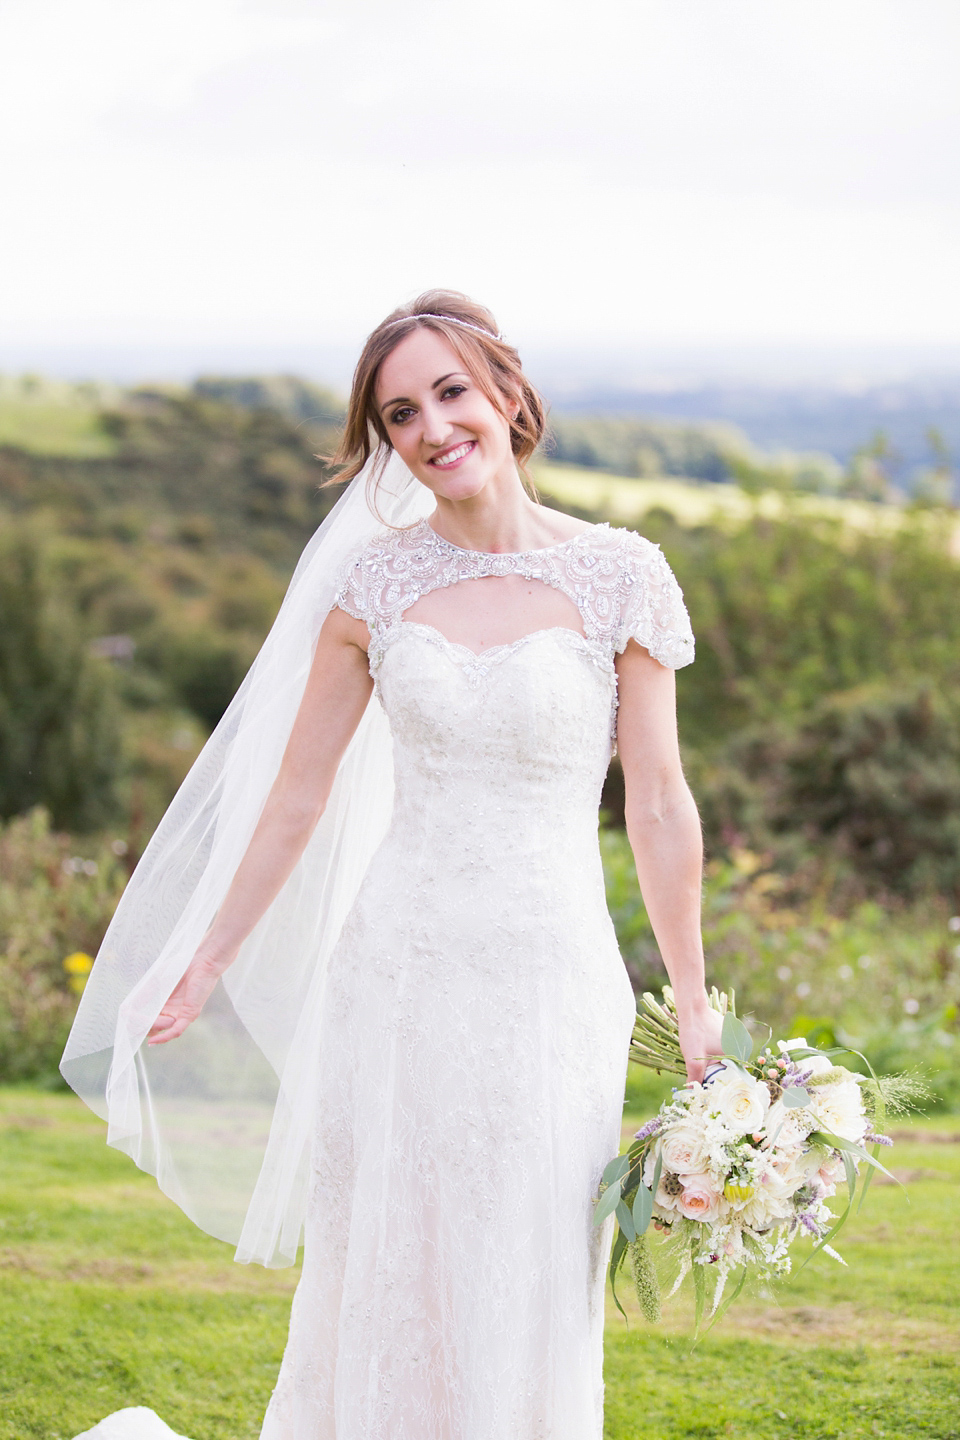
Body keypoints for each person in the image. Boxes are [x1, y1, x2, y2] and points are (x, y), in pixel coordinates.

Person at [66, 291, 723, 1440]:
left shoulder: (622, 576)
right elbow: (297, 798)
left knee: (529, 1260)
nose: (432, 428)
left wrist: (696, 999)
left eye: (451, 392)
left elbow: (660, 804)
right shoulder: (373, 589)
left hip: (551, 982)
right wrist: (202, 958)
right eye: (399, 414)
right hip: (400, 970)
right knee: (389, 1256)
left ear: (508, 395)